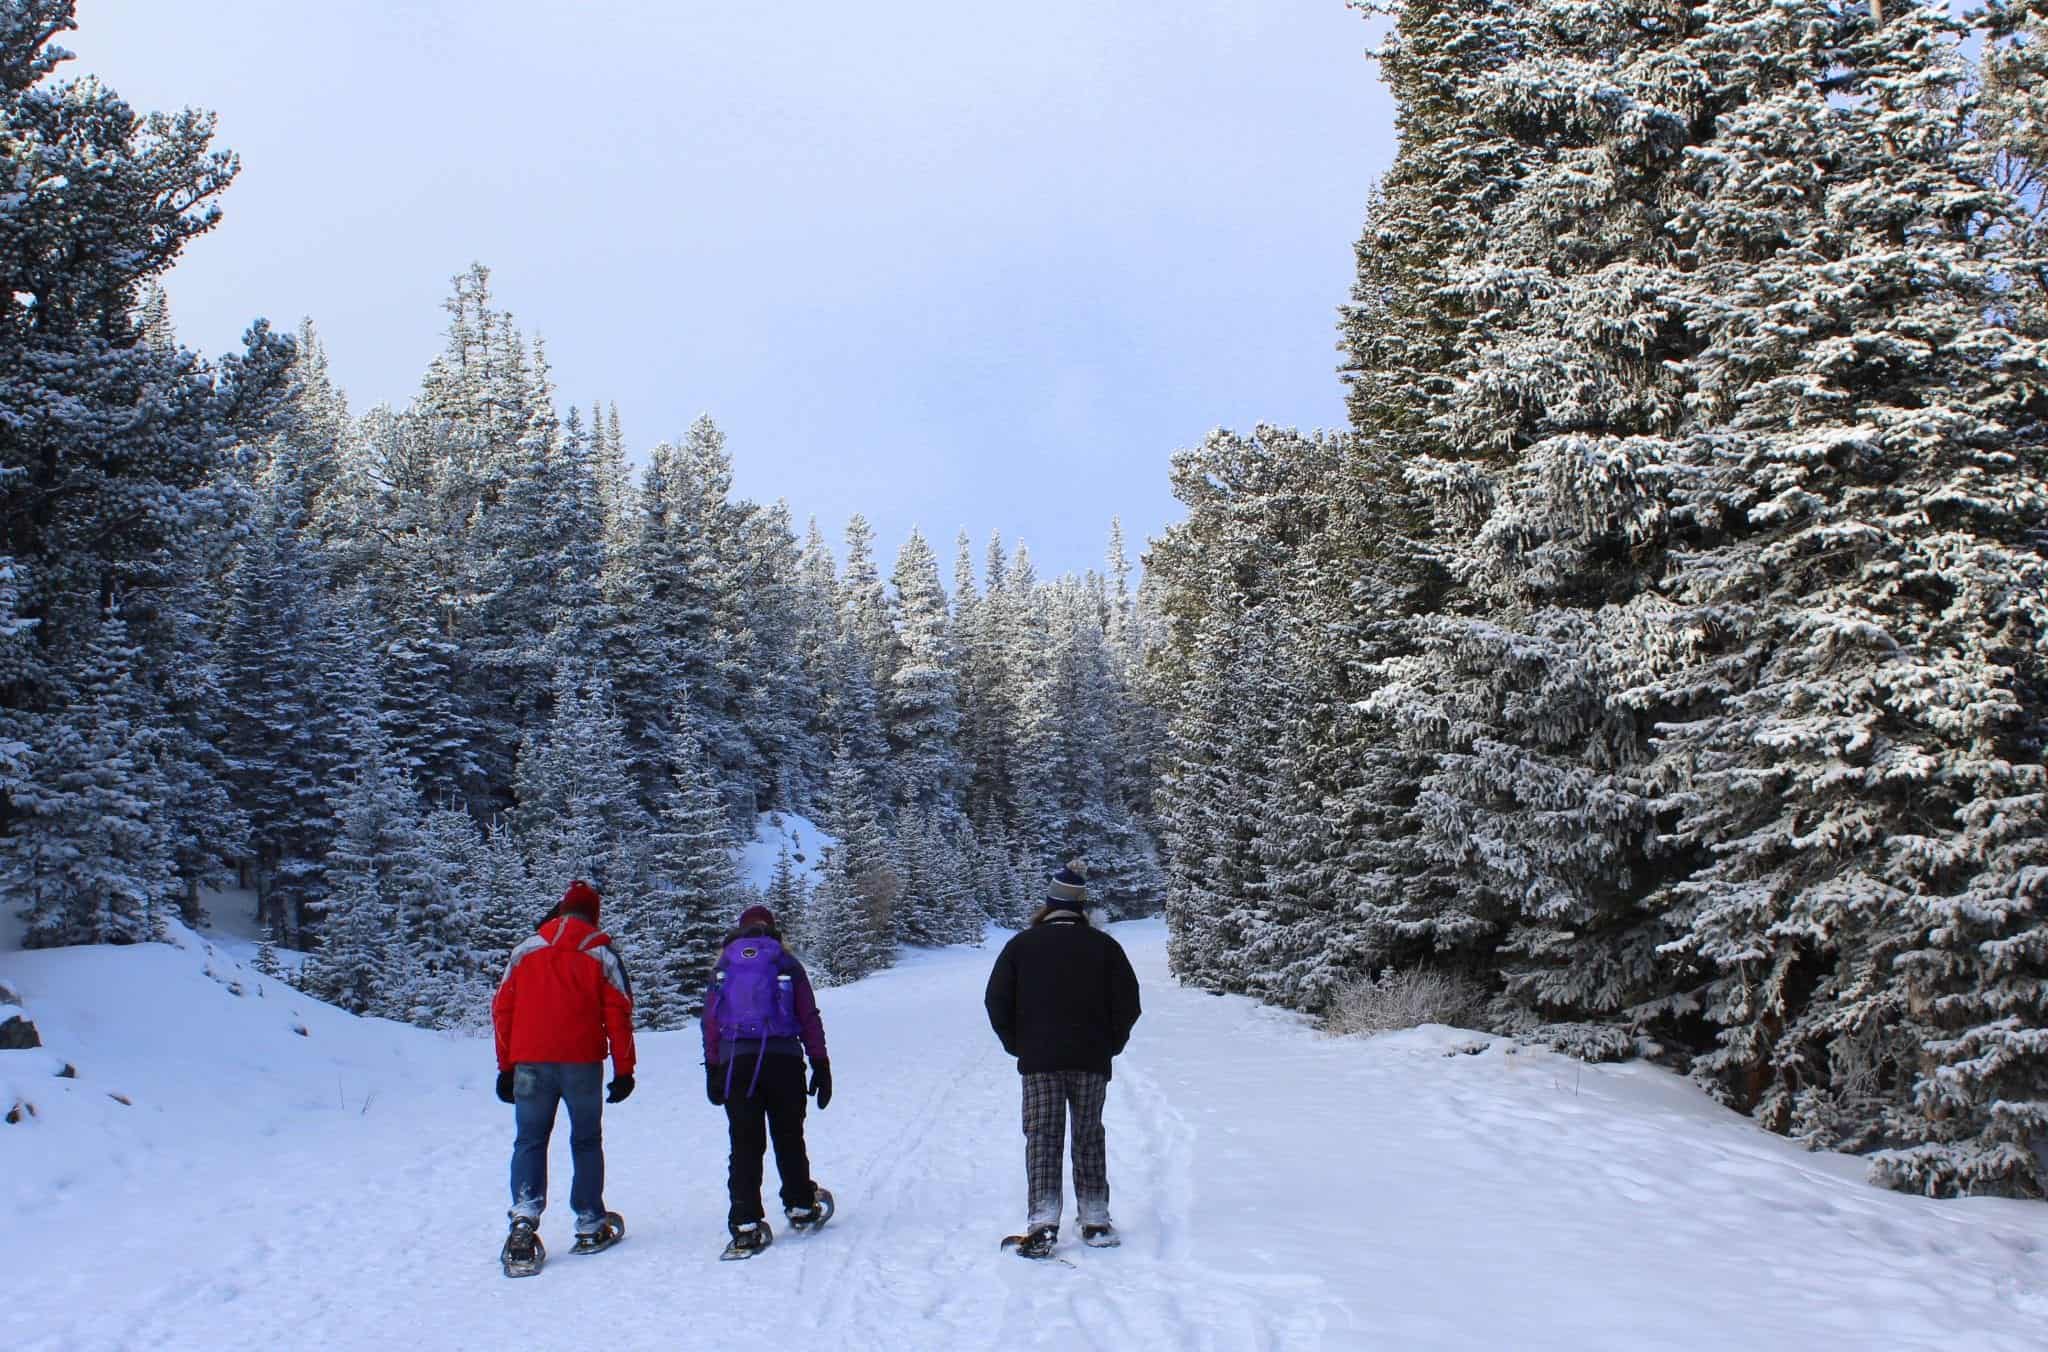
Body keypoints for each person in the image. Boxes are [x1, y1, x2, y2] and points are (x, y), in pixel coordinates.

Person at [983, 861, 1142, 1258]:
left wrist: (1017, 1044)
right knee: (1088, 1134)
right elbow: (1129, 1003)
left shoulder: (1020, 945)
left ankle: (1043, 1220)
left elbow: (995, 1001)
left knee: (1043, 1138)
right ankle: (1095, 1218)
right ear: (1081, 909)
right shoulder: (1105, 947)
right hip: (1091, 1057)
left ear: (1048, 905)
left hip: (1039, 1060)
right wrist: (1111, 1043)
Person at [491, 879, 636, 1273]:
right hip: (582, 1062)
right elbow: (619, 1014)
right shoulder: (600, 952)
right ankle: (590, 1221)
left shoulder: (526, 950)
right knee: (586, 1139)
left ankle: (523, 1221)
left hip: (530, 1063)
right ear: (593, 914)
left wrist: (506, 1065)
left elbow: (502, 1009)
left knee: (530, 1140)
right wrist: (625, 1070)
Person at [701, 903, 833, 1257]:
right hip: (784, 1060)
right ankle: (801, 1205)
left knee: (744, 1142)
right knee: (788, 1135)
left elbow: (710, 1022)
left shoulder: (725, 964)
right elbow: (808, 1015)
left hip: (736, 1063)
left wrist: (713, 1067)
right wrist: (820, 1061)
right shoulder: (786, 962)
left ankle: (745, 1223)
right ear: (772, 929)